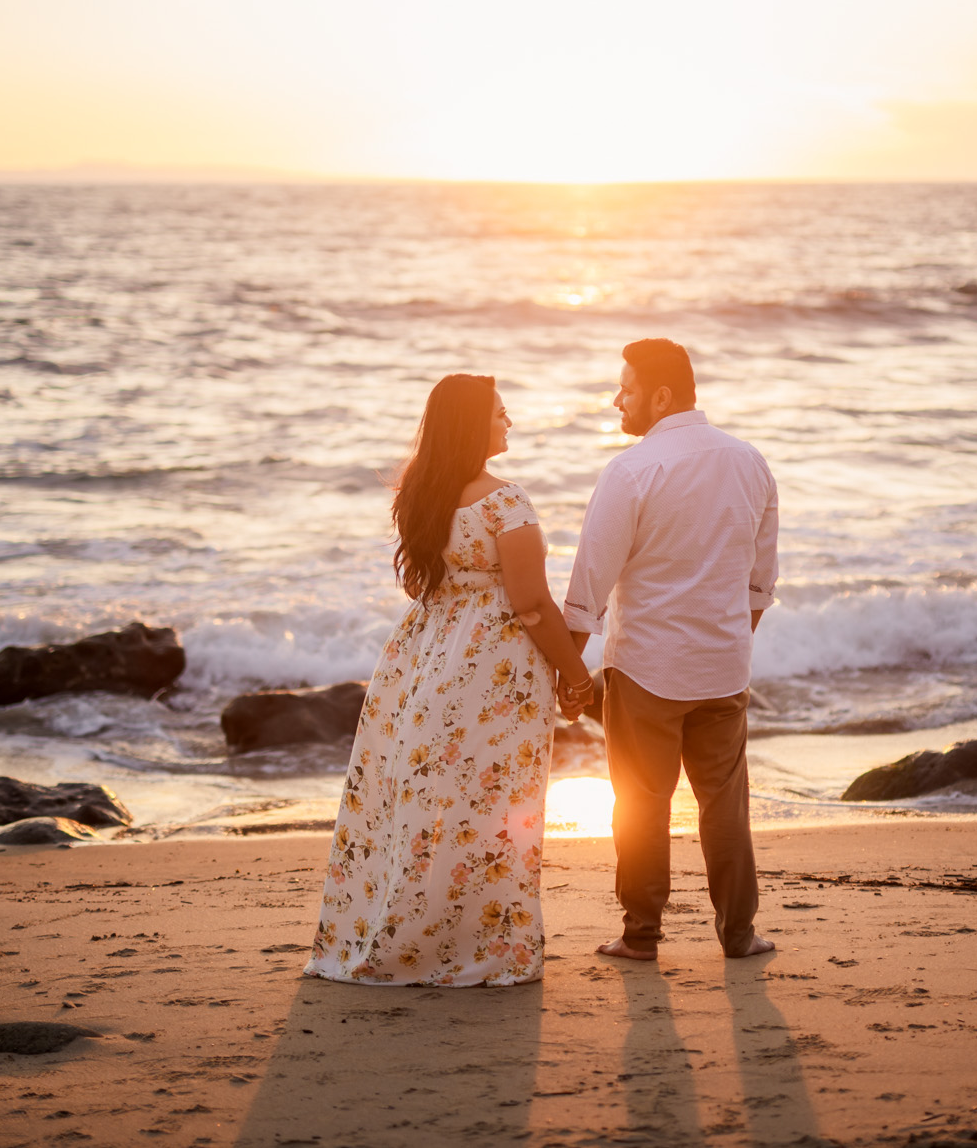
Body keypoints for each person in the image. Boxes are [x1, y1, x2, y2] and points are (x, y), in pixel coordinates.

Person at [305, 373, 596, 987]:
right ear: (471, 425)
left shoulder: (423, 492)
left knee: (428, 802)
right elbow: (533, 606)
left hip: (424, 656)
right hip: (493, 668)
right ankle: (482, 946)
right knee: (493, 803)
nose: (510, 420)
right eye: (499, 412)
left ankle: (412, 935)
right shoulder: (505, 502)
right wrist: (577, 676)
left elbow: (429, 585)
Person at [562, 339, 779, 961]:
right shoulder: (749, 462)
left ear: (660, 395)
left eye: (625, 389)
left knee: (640, 807)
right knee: (725, 808)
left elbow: (587, 589)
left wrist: (569, 671)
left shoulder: (632, 470)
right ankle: (739, 936)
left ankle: (641, 937)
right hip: (723, 671)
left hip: (646, 671)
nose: (616, 399)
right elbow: (760, 586)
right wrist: (724, 642)